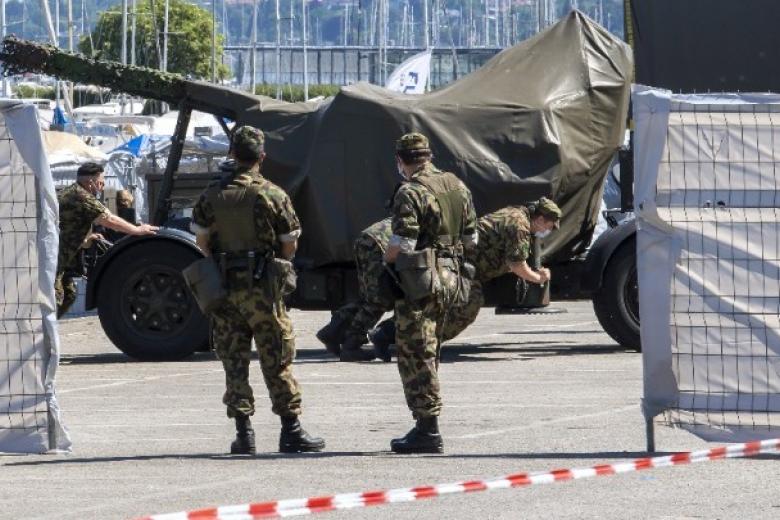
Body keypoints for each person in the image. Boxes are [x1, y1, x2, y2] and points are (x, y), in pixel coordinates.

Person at [190, 125, 324, 455]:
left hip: (225, 290)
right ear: (261, 156)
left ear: (231, 153)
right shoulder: (272, 194)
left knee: (234, 361)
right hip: (263, 290)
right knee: (277, 358)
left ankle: (244, 434)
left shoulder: (210, 196)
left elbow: (201, 242)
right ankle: (291, 431)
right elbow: (289, 243)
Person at [384, 132, 477, 454]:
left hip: (423, 281)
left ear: (401, 160)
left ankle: (427, 429)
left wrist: (385, 260)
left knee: (415, 352)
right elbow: (472, 239)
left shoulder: (410, 191)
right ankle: (427, 425)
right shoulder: (456, 185)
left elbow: (404, 244)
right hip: (453, 278)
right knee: (431, 347)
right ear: (429, 156)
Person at [56, 162, 157, 318]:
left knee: (69, 294)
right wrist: (137, 230)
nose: (102, 187)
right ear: (90, 182)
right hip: (53, 259)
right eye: (101, 183)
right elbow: (108, 219)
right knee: (55, 298)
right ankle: (39, 330)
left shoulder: (70, 192)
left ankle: (44, 328)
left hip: (60, 257)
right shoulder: (81, 196)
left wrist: (87, 238)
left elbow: (67, 225)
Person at [315, 217, 392, 362]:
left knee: (368, 298)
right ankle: (352, 345)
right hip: (378, 245)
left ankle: (332, 331)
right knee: (378, 300)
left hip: (368, 240)